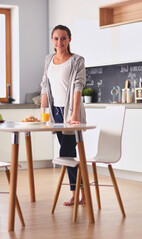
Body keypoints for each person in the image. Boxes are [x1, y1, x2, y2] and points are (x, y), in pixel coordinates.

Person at [40, 25, 86, 206]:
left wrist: (75, 113)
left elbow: (78, 86)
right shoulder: (48, 60)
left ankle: (76, 194)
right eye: (56, 38)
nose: (60, 42)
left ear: (69, 40)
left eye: (63, 38)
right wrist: (43, 112)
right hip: (55, 113)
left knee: (66, 152)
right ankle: (82, 194)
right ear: (52, 40)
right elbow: (45, 85)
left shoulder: (77, 60)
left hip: (70, 113)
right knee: (70, 153)